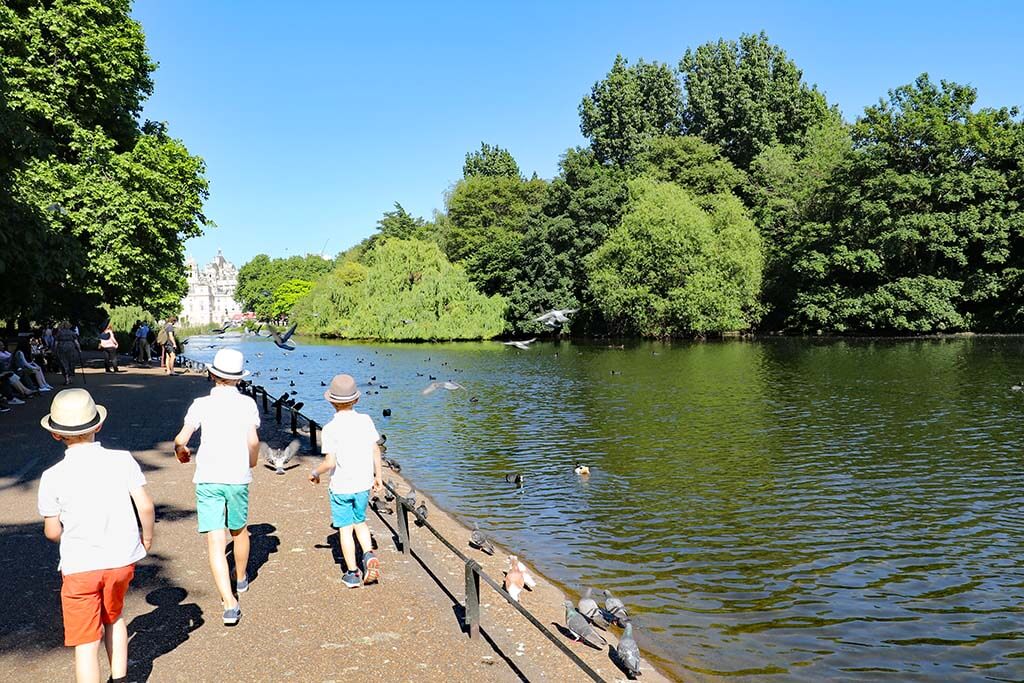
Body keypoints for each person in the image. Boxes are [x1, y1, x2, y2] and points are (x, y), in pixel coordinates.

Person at [37, 388, 154, 683]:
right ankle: (120, 678)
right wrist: (147, 537)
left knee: (86, 643)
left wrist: (62, 531)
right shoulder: (122, 459)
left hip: (80, 567)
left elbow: (52, 532)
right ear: (98, 425)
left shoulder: (52, 476)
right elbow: (145, 505)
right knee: (114, 617)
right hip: (120, 561)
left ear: (55, 434)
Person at [172, 348, 259, 625]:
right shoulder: (247, 404)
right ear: (239, 379)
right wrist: (252, 462)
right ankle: (242, 577)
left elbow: (181, 439)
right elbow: (254, 442)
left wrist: (181, 452)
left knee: (215, 539)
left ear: (212, 375)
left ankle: (229, 603)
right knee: (239, 529)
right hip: (237, 476)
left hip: (208, 476)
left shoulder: (200, 404)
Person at [309, 374, 384, 588]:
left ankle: (352, 573)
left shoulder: (330, 428)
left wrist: (315, 472)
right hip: (363, 484)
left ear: (331, 401)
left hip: (341, 487)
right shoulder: (365, 420)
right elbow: (375, 449)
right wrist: (378, 476)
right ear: (357, 400)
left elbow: (330, 462)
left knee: (344, 529)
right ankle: (368, 555)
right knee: (360, 522)